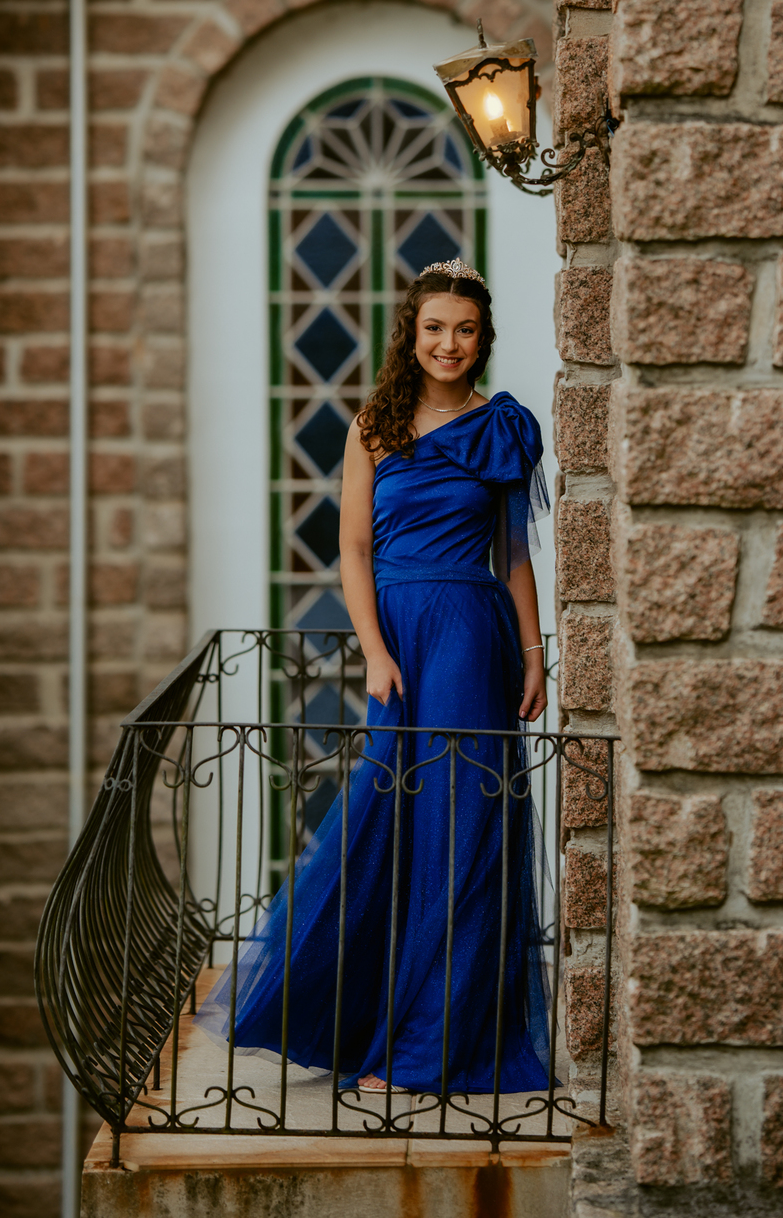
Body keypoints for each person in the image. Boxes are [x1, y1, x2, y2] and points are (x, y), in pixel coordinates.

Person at [197, 257, 553, 1098]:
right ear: (411, 332)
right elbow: (353, 552)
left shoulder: (501, 426)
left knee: (460, 835)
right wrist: (375, 651)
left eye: (465, 330)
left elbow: (514, 555)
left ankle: (430, 1049)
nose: (450, 343)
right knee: (385, 826)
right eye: (435, 327)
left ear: (483, 338)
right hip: (399, 636)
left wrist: (534, 656)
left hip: (470, 634)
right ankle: (352, 1017)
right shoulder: (374, 426)